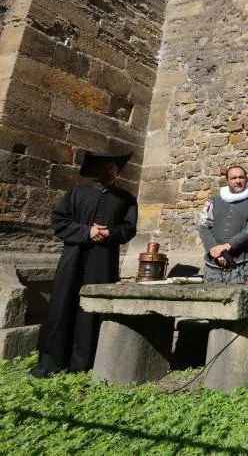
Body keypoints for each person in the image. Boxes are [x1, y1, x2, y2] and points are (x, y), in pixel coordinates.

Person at [29, 151, 137, 378]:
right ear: (96, 170)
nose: (109, 170)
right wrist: (88, 231)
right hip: (73, 259)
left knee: (93, 309)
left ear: (117, 170)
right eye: (105, 167)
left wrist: (109, 232)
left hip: (103, 261)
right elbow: (59, 222)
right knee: (62, 306)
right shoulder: (76, 194)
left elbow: (129, 229)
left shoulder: (127, 200)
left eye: (113, 167)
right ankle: (53, 362)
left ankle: (83, 363)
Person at [197, 166, 248, 284]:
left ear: (247, 179)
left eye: (241, 177)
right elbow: (203, 225)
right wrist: (214, 249)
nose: (238, 181)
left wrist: (228, 245)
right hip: (213, 264)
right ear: (227, 181)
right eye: (233, 178)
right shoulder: (214, 201)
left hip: (241, 265)